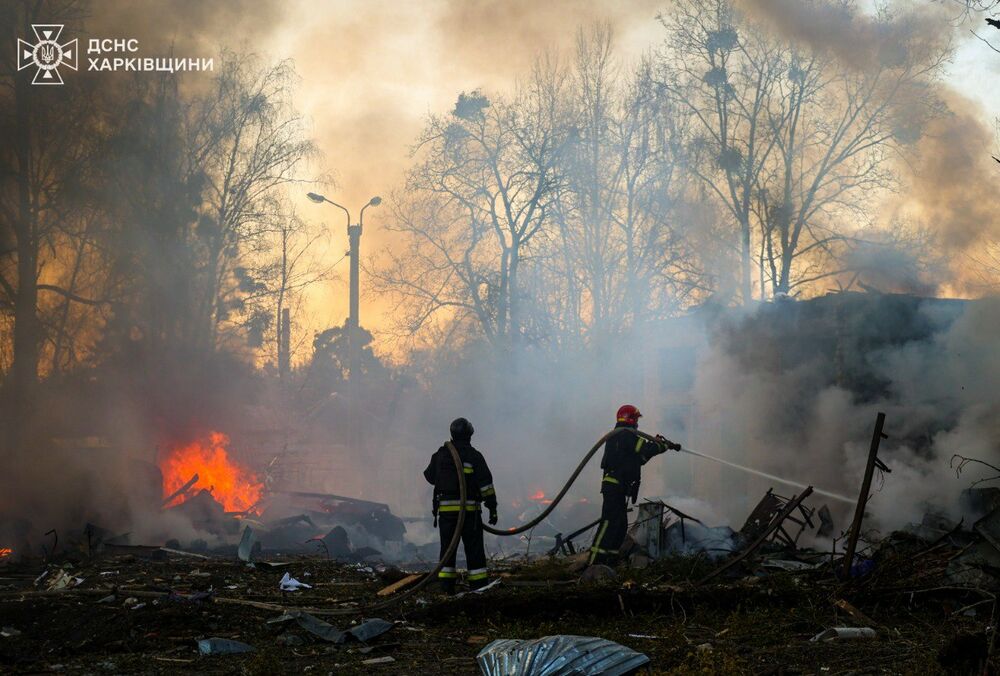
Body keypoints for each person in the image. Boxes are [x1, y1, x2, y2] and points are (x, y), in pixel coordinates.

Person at [589, 404, 680, 566]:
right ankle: (595, 560)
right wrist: (661, 445)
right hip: (614, 486)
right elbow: (645, 447)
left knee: (620, 523)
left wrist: (660, 446)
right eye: (636, 419)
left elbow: (640, 458)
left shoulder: (625, 436)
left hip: (620, 487)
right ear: (629, 419)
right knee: (610, 522)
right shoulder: (624, 435)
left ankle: (610, 559)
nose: (637, 422)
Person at [423, 417, 498, 593]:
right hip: (470, 514)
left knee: (447, 551)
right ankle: (479, 587)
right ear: (469, 435)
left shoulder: (440, 454)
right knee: (474, 551)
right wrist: (492, 508)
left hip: (447, 515)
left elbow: (429, 476)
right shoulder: (474, 456)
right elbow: (486, 485)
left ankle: (446, 587)